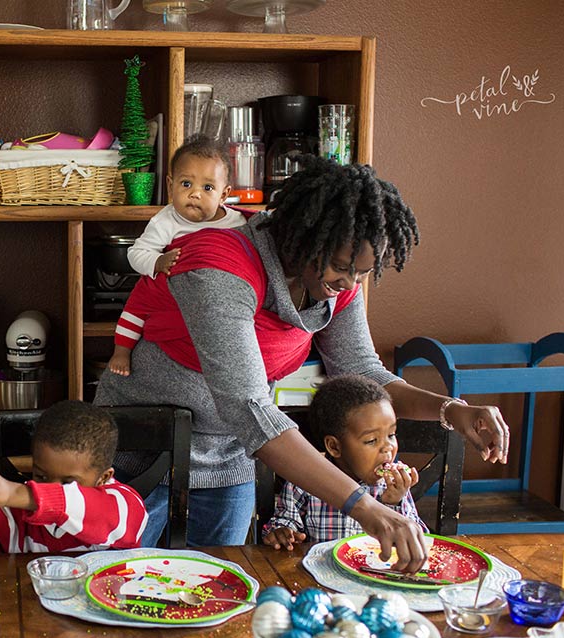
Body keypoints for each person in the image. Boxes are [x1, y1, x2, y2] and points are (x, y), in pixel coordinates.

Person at [95, 156, 510, 571]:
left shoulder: (337, 285)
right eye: (343, 268)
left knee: (205, 590)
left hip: (229, 459)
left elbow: (364, 371)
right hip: (141, 455)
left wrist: (453, 410)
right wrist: (365, 507)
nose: (350, 283)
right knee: (117, 583)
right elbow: (250, 407)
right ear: (305, 241)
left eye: (363, 273)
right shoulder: (219, 263)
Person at [108, 134, 247, 377]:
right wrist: (157, 261)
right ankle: (122, 350)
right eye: (186, 184)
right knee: (139, 300)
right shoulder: (167, 219)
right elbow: (137, 252)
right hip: (172, 285)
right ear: (171, 185)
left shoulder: (238, 222)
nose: (195, 194)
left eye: (207, 188)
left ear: (224, 195)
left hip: (217, 289)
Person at [0, 400, 146, 553]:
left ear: (103, 477)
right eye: (41, 476)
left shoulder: (124, 505)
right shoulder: (20, 512)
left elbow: (106, 516)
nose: (50, 486)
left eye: (68, 482)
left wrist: (16, 493)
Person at [263, 375, 428, 549]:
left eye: (391, 435)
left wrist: (394, 504)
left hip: (374, 572)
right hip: (318, 572)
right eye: (372, 440)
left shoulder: (393, 487)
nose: (388, 447)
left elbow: (419, 539)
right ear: (334, 446)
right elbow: (284, 520)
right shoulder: (305, 480)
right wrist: (282, 532)